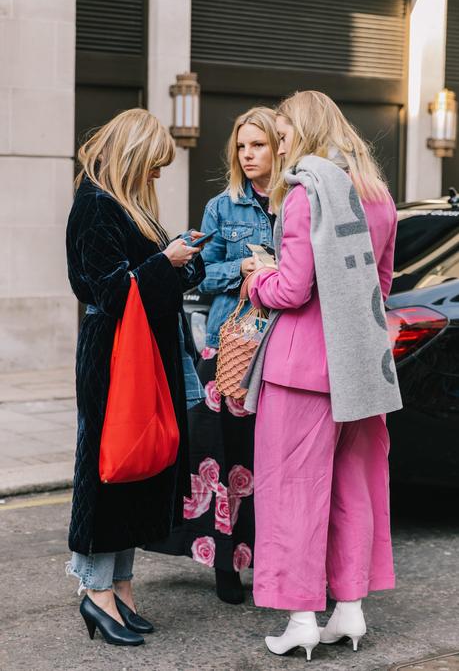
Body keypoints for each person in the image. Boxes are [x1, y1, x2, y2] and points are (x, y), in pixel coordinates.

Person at [245, 91, 402, 660]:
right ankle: (350, 612)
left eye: (284, 136)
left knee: (292, 494)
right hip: (360, 370)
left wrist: (256, 280)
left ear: (305, 134)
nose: (281, 146)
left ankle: (302, 618)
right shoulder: (378, 196)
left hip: (300, 369)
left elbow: (291, 288)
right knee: (352, 490)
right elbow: (381, 288)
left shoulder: (306, 193)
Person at [65, 108, 206, 646]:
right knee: (109, 468)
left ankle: (120, 589)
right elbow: (109, 291)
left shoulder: (127, 206)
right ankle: (97, 593)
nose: (157, 176)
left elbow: (157, 281)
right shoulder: (96, 206)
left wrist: (184, 258)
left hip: (142, 353)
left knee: (136, 470)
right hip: (113, 357)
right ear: (133, 156)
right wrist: (163, 263)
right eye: (153, 166)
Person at [152, 107, 280, 604]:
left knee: (270, 460)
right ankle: (227, 563)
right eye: (241, 147)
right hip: (231, 345)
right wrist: (246, 267)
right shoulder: (221, 207)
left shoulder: (299, 204)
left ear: (280, 147)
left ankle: (274, 561)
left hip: (283, 346)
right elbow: (200, 275)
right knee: (223, 457)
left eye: (258, 145)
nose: (248, 156)